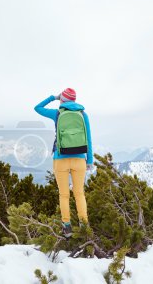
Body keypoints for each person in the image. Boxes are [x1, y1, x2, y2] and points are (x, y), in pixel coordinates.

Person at [34, 88, 93, 238]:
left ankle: (67, 227)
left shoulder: (57, 114)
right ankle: (84, 225)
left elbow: (37, 108)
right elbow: (89, 139)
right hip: (80, 159)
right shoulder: (83, 114)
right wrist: (90, 160)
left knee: (64, 194)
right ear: (74, 100)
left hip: (60, 159)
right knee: (79, 193)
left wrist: (54, 97)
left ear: (63, 100)